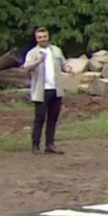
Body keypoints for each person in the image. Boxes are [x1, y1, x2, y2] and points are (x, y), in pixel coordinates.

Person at [20, 26, 72, 155]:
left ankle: (50, 144)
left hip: (56, 89)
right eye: (40, 37)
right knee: (40, 118)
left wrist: (68, 68)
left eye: (44, 37)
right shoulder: (32, 53)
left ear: (48, 37)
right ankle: (35, 145)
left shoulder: (56, 50)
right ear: (36, 39)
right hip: (40, 91)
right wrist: (38, 61)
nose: (43, 39)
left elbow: (64, 64)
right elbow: (26, 68)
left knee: (53, 118)